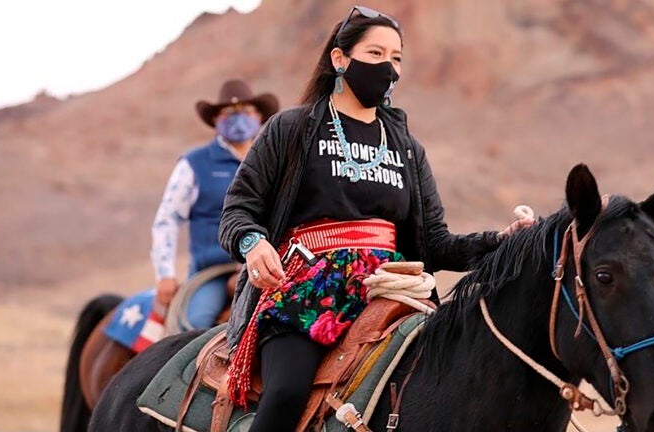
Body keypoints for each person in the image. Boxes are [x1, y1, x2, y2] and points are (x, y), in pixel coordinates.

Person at [218, 7, 534, 431]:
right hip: (307, 292)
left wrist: (503, 240)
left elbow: (435, 244)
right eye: (376, 53)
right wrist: (253, 243)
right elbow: (239, 208)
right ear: (340, 59)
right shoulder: (291, 129)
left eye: (397, 57)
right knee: (287, 392)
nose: (388, 67)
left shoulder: (406, 147)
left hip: (393, 291)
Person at [151, 79, 279, 329]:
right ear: (216, 120)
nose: (238, 118)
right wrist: (165, 274)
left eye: (246, 111)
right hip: (213, 272)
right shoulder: (194, 163)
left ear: (259, 116)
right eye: (229, 113)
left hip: (267, 268)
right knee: (195, 325)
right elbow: (168, 219)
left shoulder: (273, 161)